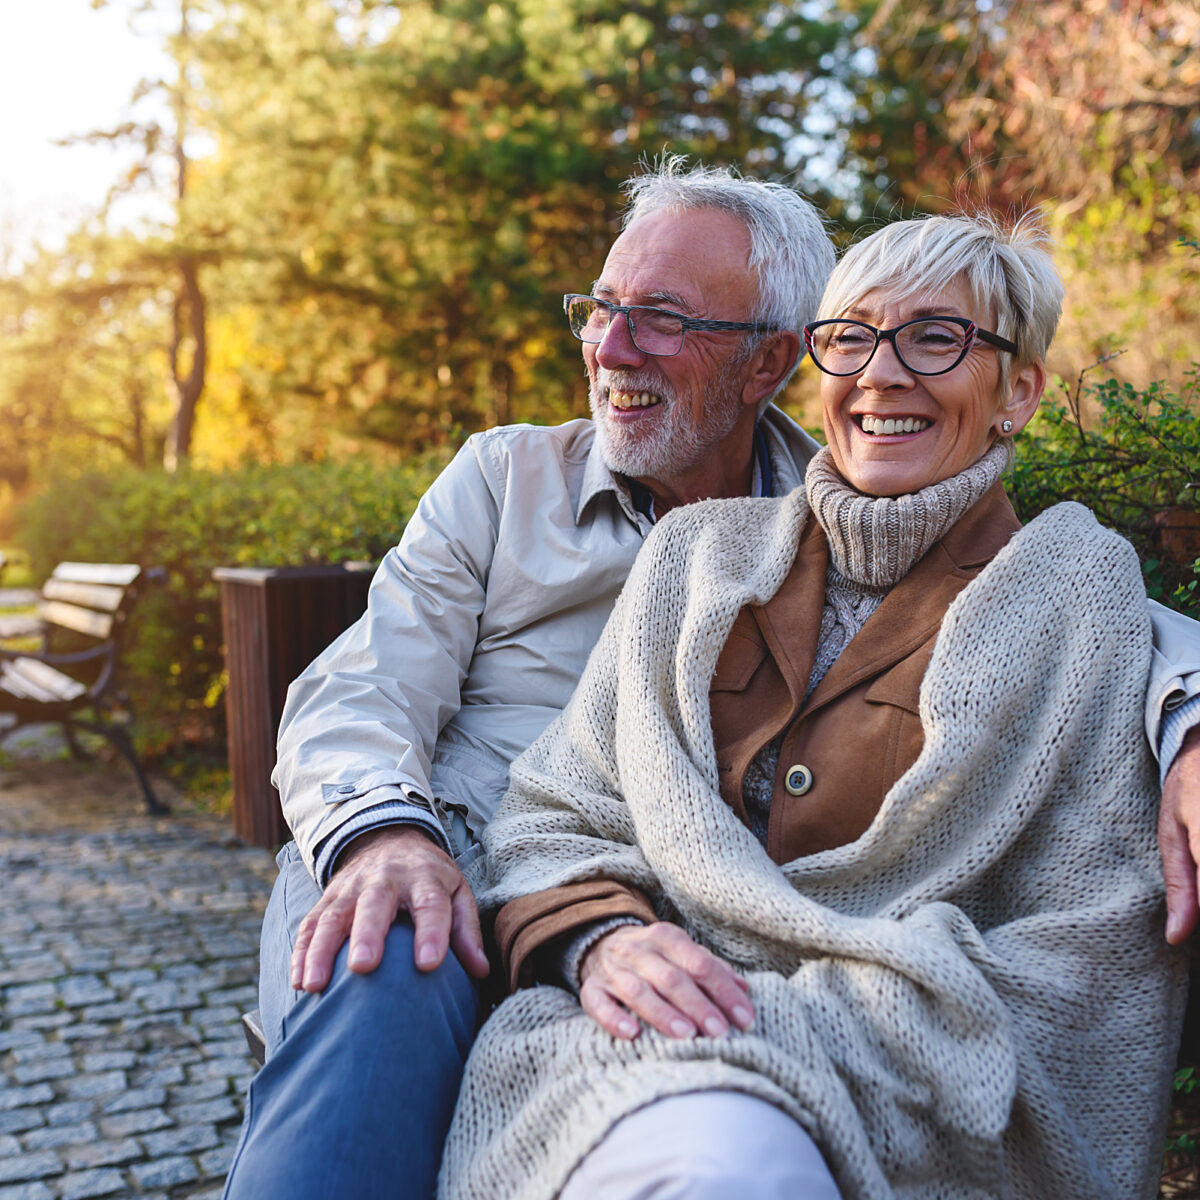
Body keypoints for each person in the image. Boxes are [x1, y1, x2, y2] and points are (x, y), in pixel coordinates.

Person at [222, 159, 1200, 1198]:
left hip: (664, 936)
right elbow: (363, 688)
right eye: (599, 310)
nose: (609, 346)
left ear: (771, 361)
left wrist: (1190, 712)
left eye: (659, 317)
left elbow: (1083, 619)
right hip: (447, 854)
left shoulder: (826, 513)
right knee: (385, 958)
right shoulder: (511, 483)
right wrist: (386, 835)